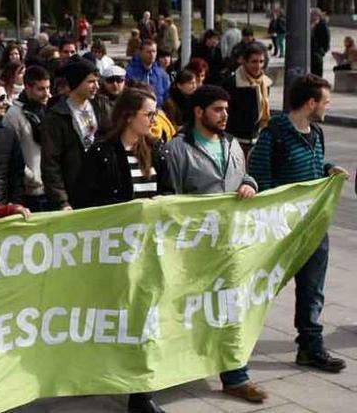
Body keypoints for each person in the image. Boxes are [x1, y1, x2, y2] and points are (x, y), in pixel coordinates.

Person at [164, 84, 267, 403]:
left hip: (230, 246)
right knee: (186, 310)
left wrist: (249, 184)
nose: (225, 115)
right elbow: (170, 200)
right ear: (199, 112)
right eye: (218, 109)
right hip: (193, 248)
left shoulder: (233, 144)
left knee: (232, 310)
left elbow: (244, 177)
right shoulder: (177, 149)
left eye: (226, 109)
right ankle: (175, 367)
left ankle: (236, 376)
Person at [71, 87, 170, 413]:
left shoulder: (157, 152)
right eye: (149, 114)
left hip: (150, 251)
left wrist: (159, 206)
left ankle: (141, 393)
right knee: (117, 319)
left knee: (146, 320)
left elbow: (171, 195)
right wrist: (132, 209)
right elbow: (85, 201)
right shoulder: (101, 153)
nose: (154, 120)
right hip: (115, 253)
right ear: (129, 116)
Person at [248, 74, 349, 373]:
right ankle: (233, 341)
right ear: (310, 103)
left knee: (312, 290)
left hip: (313, 227)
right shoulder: (273, 135)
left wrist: (328, 168)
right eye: (325, 102)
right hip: (280, 230)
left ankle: (310, 346)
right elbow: (262, 181)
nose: (327, 107)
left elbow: (315, 167)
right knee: (259, 289)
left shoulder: (316, 133)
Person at [41, 57, 112, 210]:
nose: (96, 86)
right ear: (76, 82)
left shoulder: (102, 106)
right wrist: (61, 201)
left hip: (102, 191)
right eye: (91, 82)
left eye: (97, 81)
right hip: (73, 192)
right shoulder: (56, 116)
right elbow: (50, 163)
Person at [4, 65, 51, 212]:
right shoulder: (13, 115)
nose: (46, 94)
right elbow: (11, 154)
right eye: (41, 89)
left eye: (48, 88)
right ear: (27, 87)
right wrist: (32, 177)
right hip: (29, 192)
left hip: (50, 187)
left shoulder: (47, 110)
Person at [221, 43, 271, 156]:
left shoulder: (265, 83)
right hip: (235, 140)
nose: (258, 66)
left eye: (261, 61)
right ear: (245, 62)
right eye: (254, 61)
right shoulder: (232, 83)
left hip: (257, 139)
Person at [125, 39, 171, 106]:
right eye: (148, 52)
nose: (152, 55)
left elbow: (167, 96)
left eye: (154, 51)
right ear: (140, 52)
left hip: (157, 111)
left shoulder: (162, 74)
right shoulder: (129, 72)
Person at [310, 8, 330, 77]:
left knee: (317, 74)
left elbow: (326, 40)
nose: (311, 16)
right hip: (310, 53)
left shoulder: (322, 25)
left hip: (317, 54)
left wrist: (321, 52)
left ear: (317, 15)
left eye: (312, 15)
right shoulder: (310, 25)